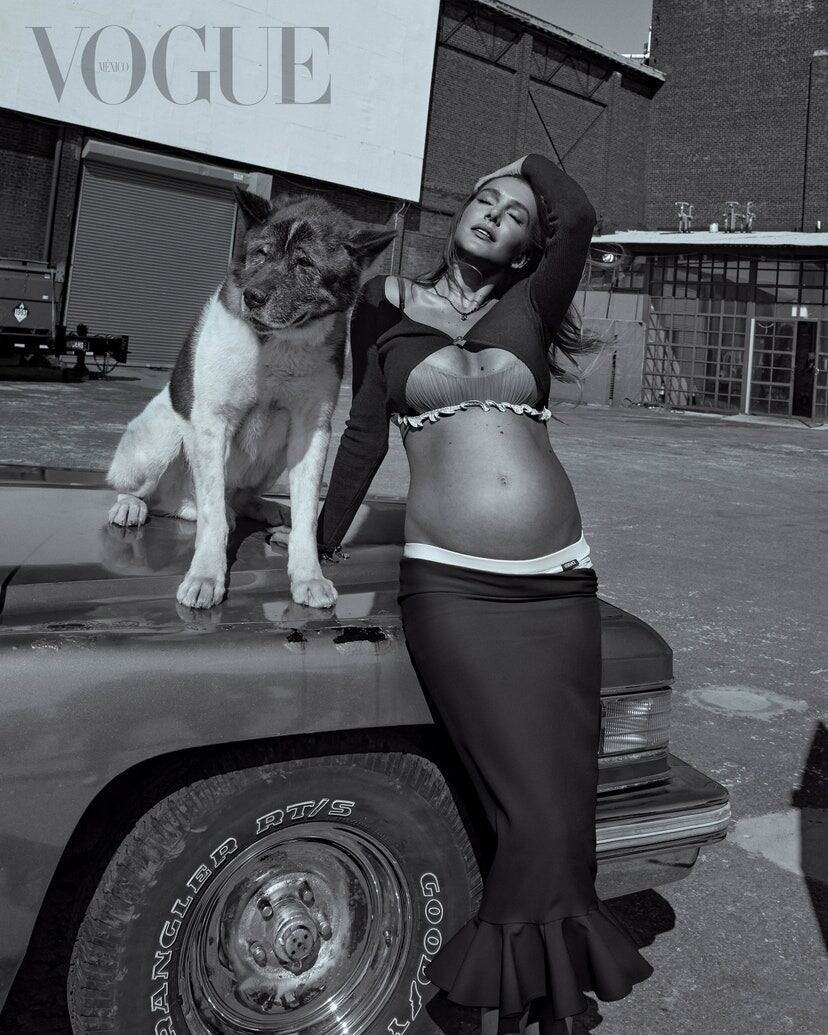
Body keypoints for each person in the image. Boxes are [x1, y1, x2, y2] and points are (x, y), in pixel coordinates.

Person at [313, 153, 654, 1034]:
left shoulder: (530, 304)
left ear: (525, 249)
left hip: (557, 584)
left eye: (514, 213)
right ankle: (514, 994)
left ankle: (542, 998)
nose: (494, 212)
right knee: (525, 803)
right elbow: (363, 434)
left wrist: (528, 165)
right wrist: (317, 541)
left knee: (561, 802)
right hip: (454, 590)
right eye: (485, 200)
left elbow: (578, 215)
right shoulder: (385, 304)